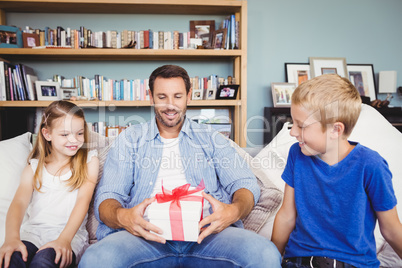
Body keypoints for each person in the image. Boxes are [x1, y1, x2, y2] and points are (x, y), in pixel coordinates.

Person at [79, 65, 281, 267]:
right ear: (151, 97)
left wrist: (234, 211)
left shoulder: (212, 138)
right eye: (162, 97)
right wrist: (123, 216)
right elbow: (107, 198)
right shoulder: (129, 139)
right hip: (144, 237)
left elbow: (244, 183)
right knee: (95, 259)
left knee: (265, 254)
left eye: (177, 96)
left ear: (188, 96)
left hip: (208, 235)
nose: (170, 105)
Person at [271, 74, 402, 268]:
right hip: (298, 262)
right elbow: (286, 215)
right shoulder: (296, 154)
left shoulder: (370, 164)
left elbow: (391, 229)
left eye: (301, 125)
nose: (292, 132)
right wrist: (270, 259)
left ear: (335, 130)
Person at [0, 101, 99, 268]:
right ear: (47, 134)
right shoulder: (33, 168)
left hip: (69, 237)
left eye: (79, 133)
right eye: (65, 135)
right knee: (12, 259)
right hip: (33, 234)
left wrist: (64, 240)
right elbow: (18, 203)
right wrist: (11, 238)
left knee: (43, 262)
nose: (73, 140)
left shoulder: (90, 161)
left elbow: (83, 201)